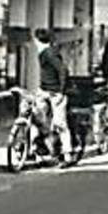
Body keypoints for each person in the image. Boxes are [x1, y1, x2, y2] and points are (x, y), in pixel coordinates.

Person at [33, 28, 76, 167]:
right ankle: (40, 151)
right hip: (44, 91)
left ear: (36, 40)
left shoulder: (49, 53)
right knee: (39, 120)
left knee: (59, 123)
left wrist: (61, 91)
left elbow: (63, 70)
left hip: (55, 92)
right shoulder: (46, 52)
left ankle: (67, 154)